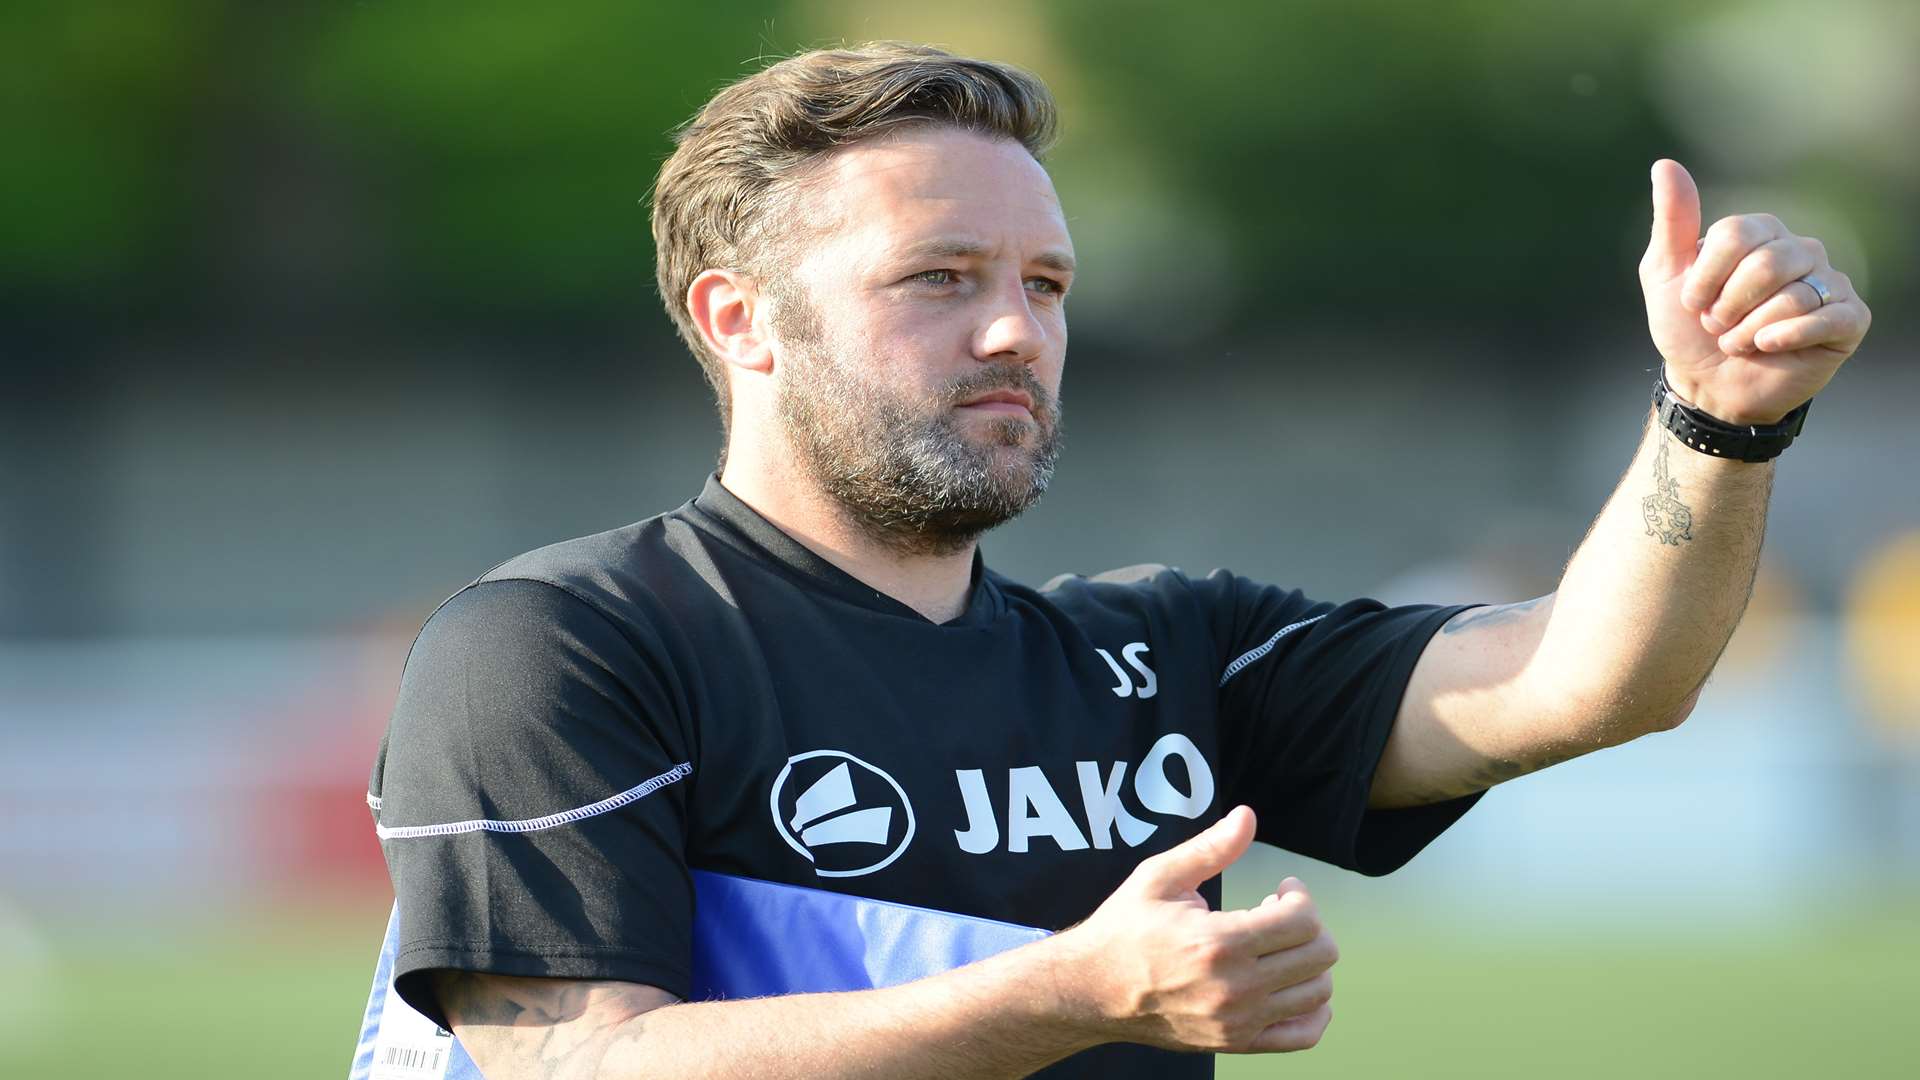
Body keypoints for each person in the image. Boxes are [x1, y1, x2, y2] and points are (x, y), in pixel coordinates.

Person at [359, 42, 1872, 1080]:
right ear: (741, 321)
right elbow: (574, 1057)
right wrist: (1069, 992)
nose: (1018, 329)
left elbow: (1595, 679)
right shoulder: (562, 645)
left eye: (1046, 281)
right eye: (939, 279)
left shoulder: (1162, 653)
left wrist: (1716, 423)